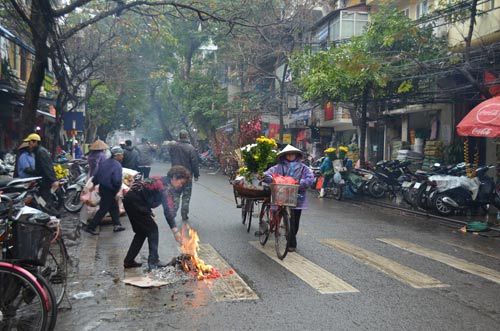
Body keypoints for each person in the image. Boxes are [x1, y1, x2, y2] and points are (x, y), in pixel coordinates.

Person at [122, 166, 191, 270]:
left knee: (141, 233)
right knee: (152, 230)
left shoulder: (161, 180)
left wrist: (148, 211)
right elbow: (168, 211)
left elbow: (145, 194)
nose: (180, 186)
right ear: (174, 178)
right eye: (181, 183)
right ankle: (153, 261)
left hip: (131, 200)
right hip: (135, 203)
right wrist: (175, 231)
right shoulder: (165, 187)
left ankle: (129, 261)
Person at [263, 144, 314, 252]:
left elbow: (310, 178)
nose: (290, 156)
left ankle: (290, 238)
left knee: (295, 221)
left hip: (297, 196)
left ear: (296, 155)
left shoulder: (303, 168)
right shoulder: (278, 167)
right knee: (280, 215)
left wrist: (300, 183)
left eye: (293, 154)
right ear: (285, 155)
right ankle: (290, 242)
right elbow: (268, 174)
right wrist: (269, 178)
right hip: (280, 195)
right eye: (288, 154)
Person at [84, 146, 126, 235]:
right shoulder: (117, 165)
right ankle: (91, 227)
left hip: (103, 188)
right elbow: (117, 180)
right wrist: (116, 191)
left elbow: (97, 174)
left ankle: (117, 225)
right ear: (117, 155)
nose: (122, 157)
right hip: (110, 190)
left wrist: (94, 184)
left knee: (113, 207)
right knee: (103, 209)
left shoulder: (105, 162)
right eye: (121, 155)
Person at [168, 130, 199, 221]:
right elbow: (194, 162)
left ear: (180, 136)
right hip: (187, 176)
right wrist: (196, 174)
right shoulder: (191, 148)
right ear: (187, 136)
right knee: (186, 196)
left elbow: (170, 156)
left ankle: (172, 213)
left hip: (175, 175)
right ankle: (184, 214)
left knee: (176, 194)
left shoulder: (173, 147)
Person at [25, 133, 59, 207]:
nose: (28, 144)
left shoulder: (41, 152)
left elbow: (47, 167)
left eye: (29, 142)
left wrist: (53, 180)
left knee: (44, 201)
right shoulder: (38, 151)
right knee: (41, 200)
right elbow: (40, 168)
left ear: (35, 142)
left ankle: (51, 214)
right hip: (42, 180)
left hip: (45, 181)